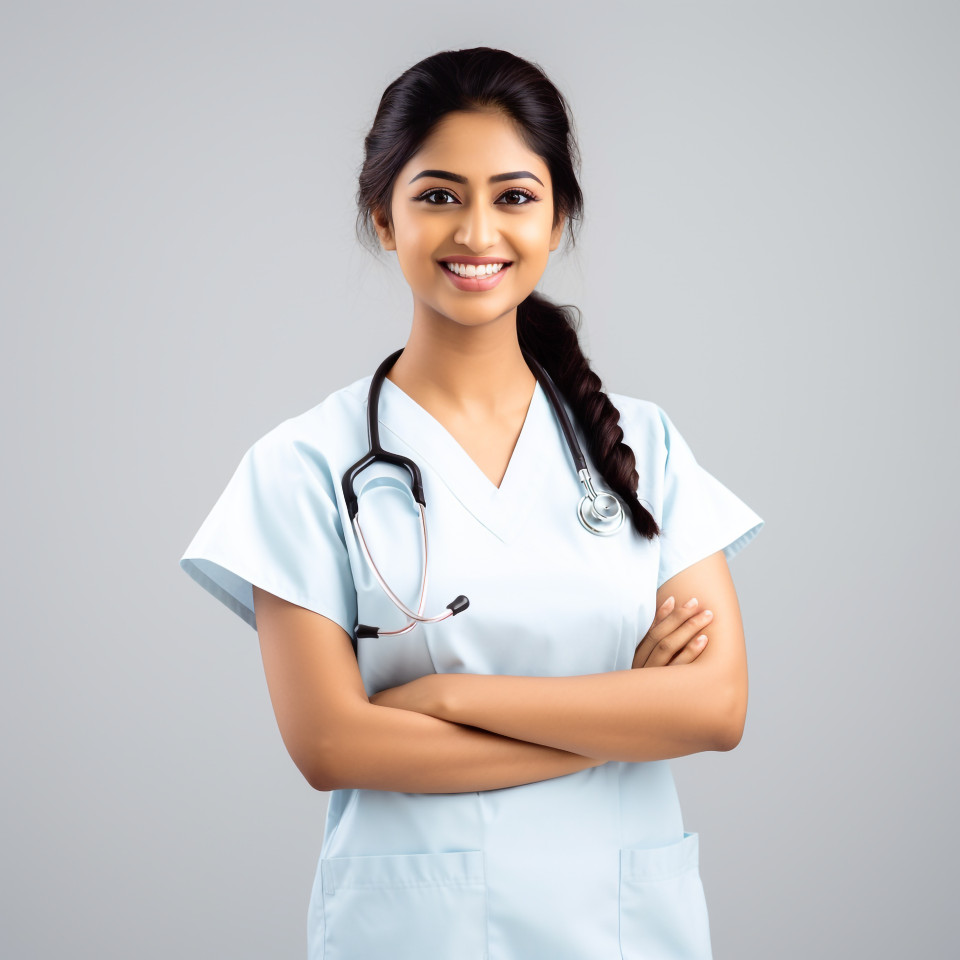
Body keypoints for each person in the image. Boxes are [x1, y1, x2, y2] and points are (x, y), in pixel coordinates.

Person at [179, 46, 764, 960]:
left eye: (516, 196)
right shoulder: (302, 466)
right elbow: (332, 745)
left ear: (559, 214)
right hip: (414, 931)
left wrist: (449, 695)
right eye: (439, 195)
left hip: (622, 928)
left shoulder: (642, 447)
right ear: (384, 215)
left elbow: (715, 707)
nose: (477, 232)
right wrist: (616, 725)